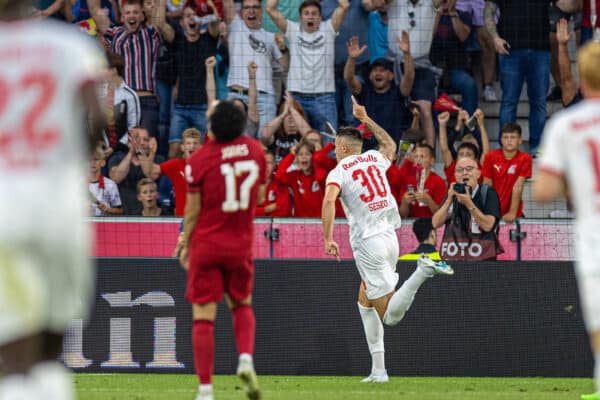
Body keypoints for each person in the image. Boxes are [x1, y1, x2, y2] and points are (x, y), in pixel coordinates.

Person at [0, 1, 105, 399]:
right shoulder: (68, 44)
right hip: (58, 204)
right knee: (50, 342)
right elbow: (96, 116)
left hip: (5, 203)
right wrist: (64, 159)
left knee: (13, 345)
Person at [322, 96, 453, 383]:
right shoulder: (372, 159)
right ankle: (378, 370)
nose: (333, 151)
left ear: (343, 148)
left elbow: (330, 200)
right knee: (365, 301)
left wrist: (328, 237)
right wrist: (366, 118)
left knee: (391, 317)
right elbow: (391, 146)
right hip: (390, 237)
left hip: (368, 243)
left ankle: (422, 271)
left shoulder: (338, 171)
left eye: (334, 147)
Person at [179, 100, 267, 400]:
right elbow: (261, 193)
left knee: (203, 316)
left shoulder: (200, 160)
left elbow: (191, 212)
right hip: (240, 243)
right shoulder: (256, 151)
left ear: (213, 126)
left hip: (206, 244)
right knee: (242, 304)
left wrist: (184, 243)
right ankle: (245, 358)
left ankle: (205, 391)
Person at [533, 41, 600, 400]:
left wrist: (575, 179)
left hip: (594, 239)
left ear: (583, 81)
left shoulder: (566, 124)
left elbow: (542, 191)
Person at [266, 0, 350, 132]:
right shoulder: (293, 30)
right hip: (297, 98)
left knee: (329, 145)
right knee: (299, 144)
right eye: (306, 13)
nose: (310, 16)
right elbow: (270, 9)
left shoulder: (328, 29)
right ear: (300, 18)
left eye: (314, 13)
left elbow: (344, 5)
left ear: (320, 18)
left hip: (324, 98)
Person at [484, 0, 550, 155]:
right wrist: (495, 38)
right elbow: (488, 11)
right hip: (510, 50)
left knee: (539, 103)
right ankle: (507, 150)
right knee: (509, 102)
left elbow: (566, 5)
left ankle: (537, 148)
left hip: (540, 50)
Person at [432, 156, 502, 260]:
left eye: (469, 169)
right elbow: (435, 223)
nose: (464, 172)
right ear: (455, 176)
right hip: (453, 259)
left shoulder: (487, 193)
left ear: (478, 173)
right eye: (460, 170)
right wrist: (449, 200)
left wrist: (469, 203)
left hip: (482, 262)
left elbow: (488, 225)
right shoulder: (452, 193)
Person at [140, 127, 202, 217]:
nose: (192, 146)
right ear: (182, 147)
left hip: (204, 219)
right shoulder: (176, 165)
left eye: (195, 143)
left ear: (200, 147)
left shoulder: (207, 165)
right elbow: (151, 173)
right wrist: (149, 152)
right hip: (183, 219)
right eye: (188, 143)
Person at [482, 123, 532, 223]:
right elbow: (487, 185)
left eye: (513, 137)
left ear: (520, 140)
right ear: (501, 140)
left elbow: (518, 186)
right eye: (505, 137)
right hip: (492, 211)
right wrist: (489, 210)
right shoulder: (490, 157)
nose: (509, 140)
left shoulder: (525, 158)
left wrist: (512, 212)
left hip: (514, 214)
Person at [89, 146, 123, 216]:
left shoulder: (110, 184)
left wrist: (107, 209)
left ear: (103, 162)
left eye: (96, 159)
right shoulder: (78, 184)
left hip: (104, 225)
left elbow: (120, 211)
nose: (92, 162)